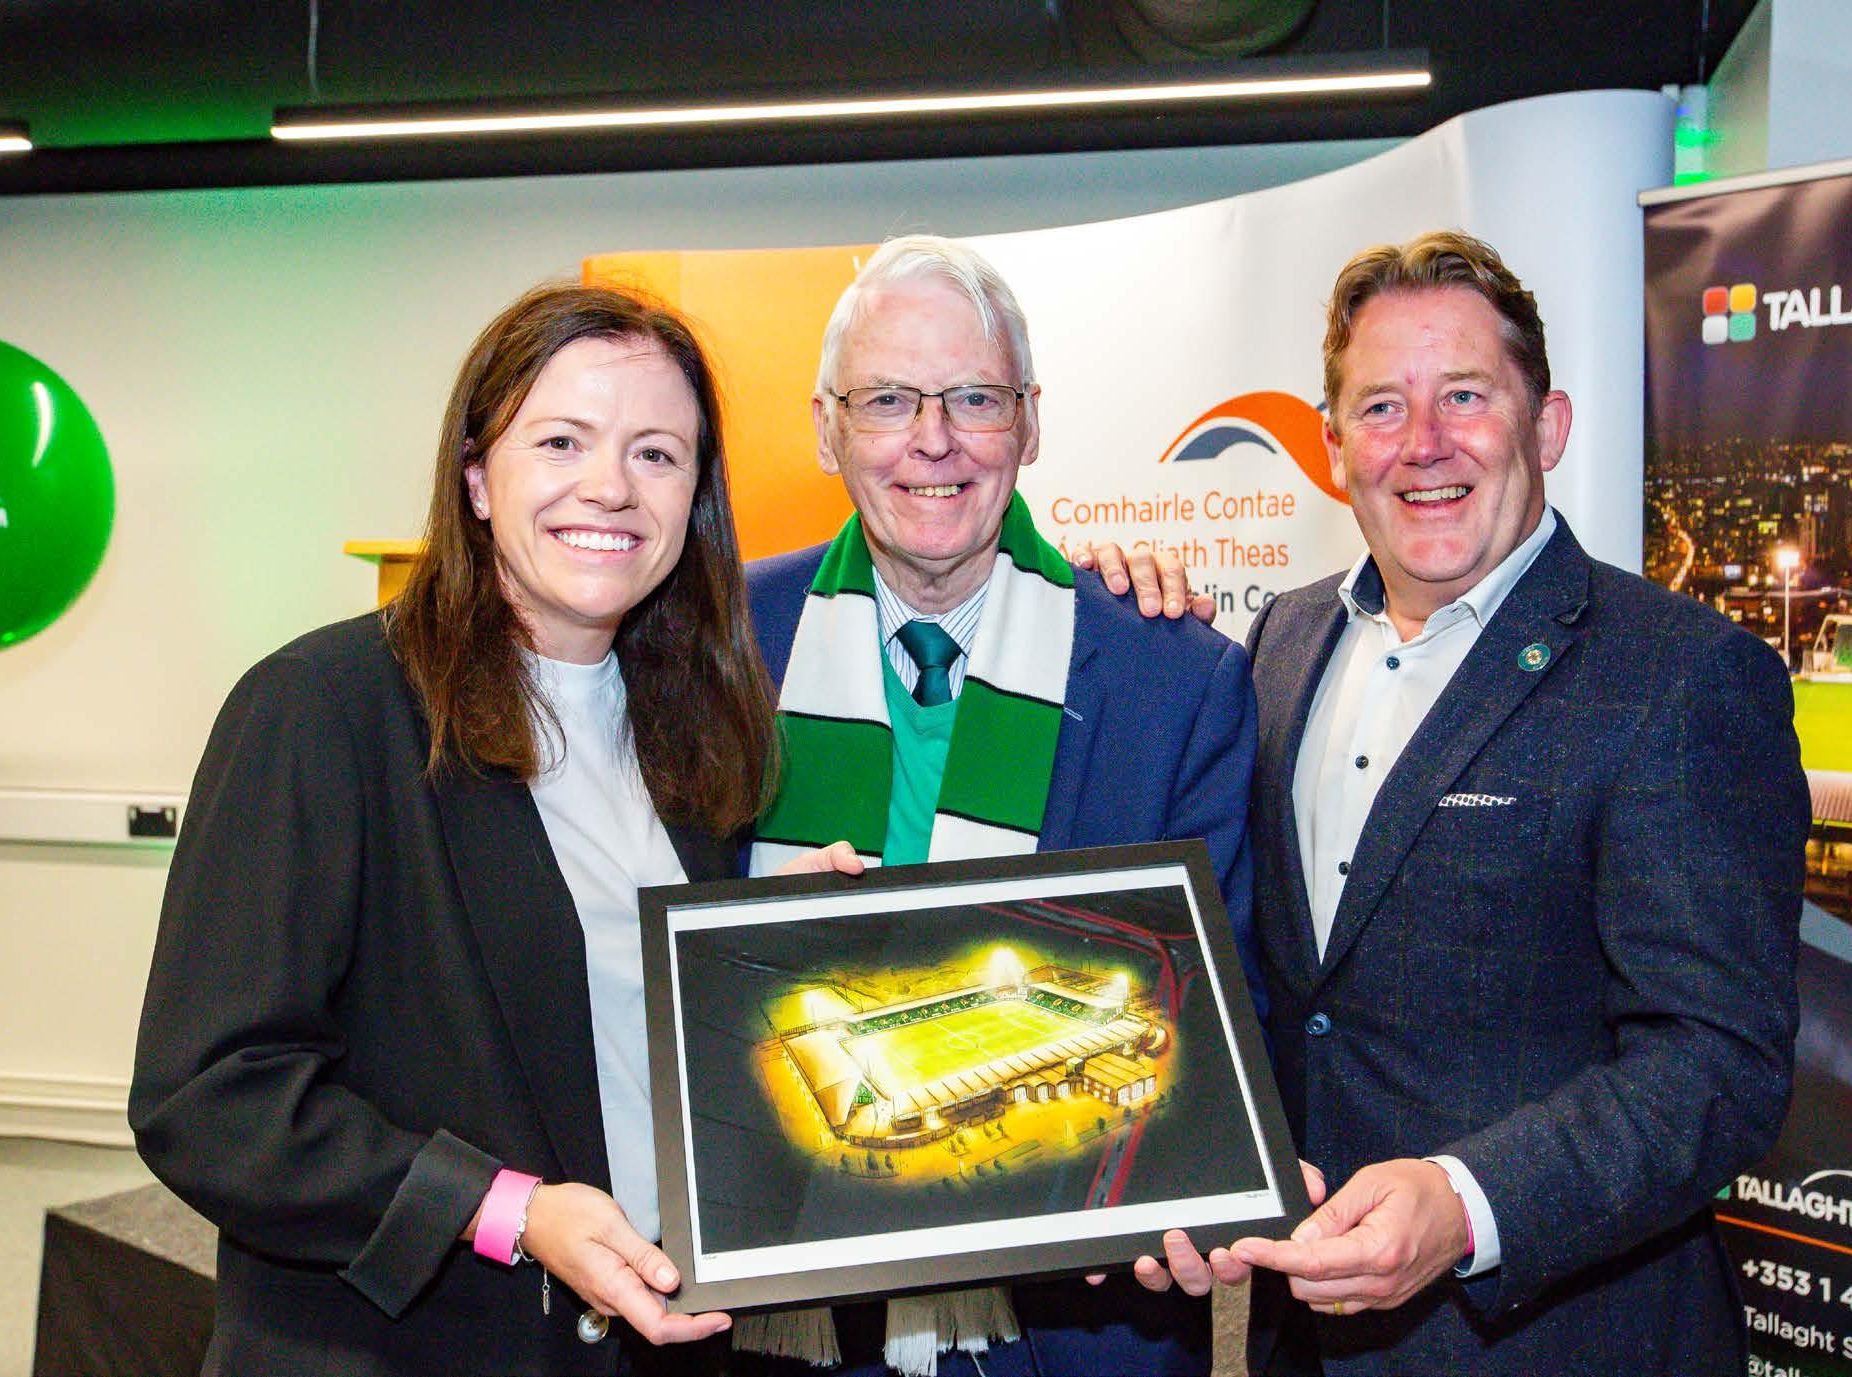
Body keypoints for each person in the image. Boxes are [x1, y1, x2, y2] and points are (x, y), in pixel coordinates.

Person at [130, 283, 858, 1375]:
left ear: (695, 496)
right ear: (476, 476)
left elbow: (596, 1029)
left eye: (657, 454)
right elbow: (210, 1100)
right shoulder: (324, 707)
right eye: (562, 440)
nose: (610, 486)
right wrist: (505, 1210)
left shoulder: (696, 725)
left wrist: (749, 953)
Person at [1152, 230, 1809, 1374]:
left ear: (1546, 427)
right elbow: (1263, 977)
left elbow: (1717, 1064)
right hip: (1307, 1333)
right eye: (1381, 408)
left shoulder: (1683, 676)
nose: (1424, 444)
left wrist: (1467, 1204)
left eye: (1464, 395)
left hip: (1562, 1343)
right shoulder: (1281, 642)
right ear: (1332, 447)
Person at [737, 235, 1259, 1377]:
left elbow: (1225, 1017)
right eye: (887, 399)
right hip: (784, 1313)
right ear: (825, 429)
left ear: (1029, 423)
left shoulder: (1173, 676)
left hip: (1078, 1324)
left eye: (974, 397)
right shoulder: (717, 644)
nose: (934, 439)